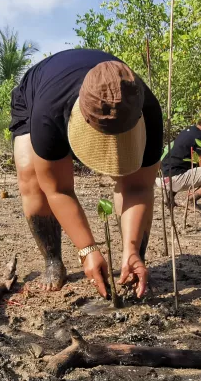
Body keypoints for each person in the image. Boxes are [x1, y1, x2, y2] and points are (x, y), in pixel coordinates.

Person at [10, 49, 163, 300]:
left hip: (93, 94)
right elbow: (58, 189)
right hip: (38, 95)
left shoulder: (146, 106)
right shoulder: (49, 112)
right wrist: (87, 250)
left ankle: (133, 259)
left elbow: (139, 187)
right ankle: (52, 260)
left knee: (132, 180)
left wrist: (132, 248)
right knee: (32, 178)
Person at [157, 120, 201, 206]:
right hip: (175, 180)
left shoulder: (189, 130)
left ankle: (169, 198)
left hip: (162, 178)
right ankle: (190, 200)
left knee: (179, 164)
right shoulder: (199, 137)